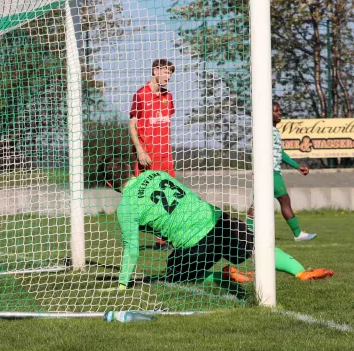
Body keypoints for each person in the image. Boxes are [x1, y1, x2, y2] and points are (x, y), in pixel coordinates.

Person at [100, 157, 334, 290]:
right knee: (257, 248)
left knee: (176, 275)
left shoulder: (126, 207)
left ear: (110, 186)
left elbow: (132, 249)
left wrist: (122, 285)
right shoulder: (157, 174)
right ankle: (301, 272)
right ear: (132, 168)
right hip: (218, 220)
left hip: (194, 244)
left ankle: (224, 276)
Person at [247, 102, 316, 241]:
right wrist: (258, 170)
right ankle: (298, 234)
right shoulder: (265, 131)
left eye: (280, 110)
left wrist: (297, 166)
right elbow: (257, 151)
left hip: (269, 172)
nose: (280, 113)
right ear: (267, 114)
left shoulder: (273, 131)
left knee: (257, 204)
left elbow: (280, 153)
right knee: (284, 200)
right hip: (269, 172)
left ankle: (246, 235)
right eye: (276, 111)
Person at [129, 59, 176, 178]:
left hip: (166, 156)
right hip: (147, 156)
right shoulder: (141, 95)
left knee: (168, 193)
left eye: (170, 73)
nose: (168, 77)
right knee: (148, 194)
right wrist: (140, 151)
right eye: (166, 72)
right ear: (155, 71)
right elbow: (131, 126)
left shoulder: (168, 96)